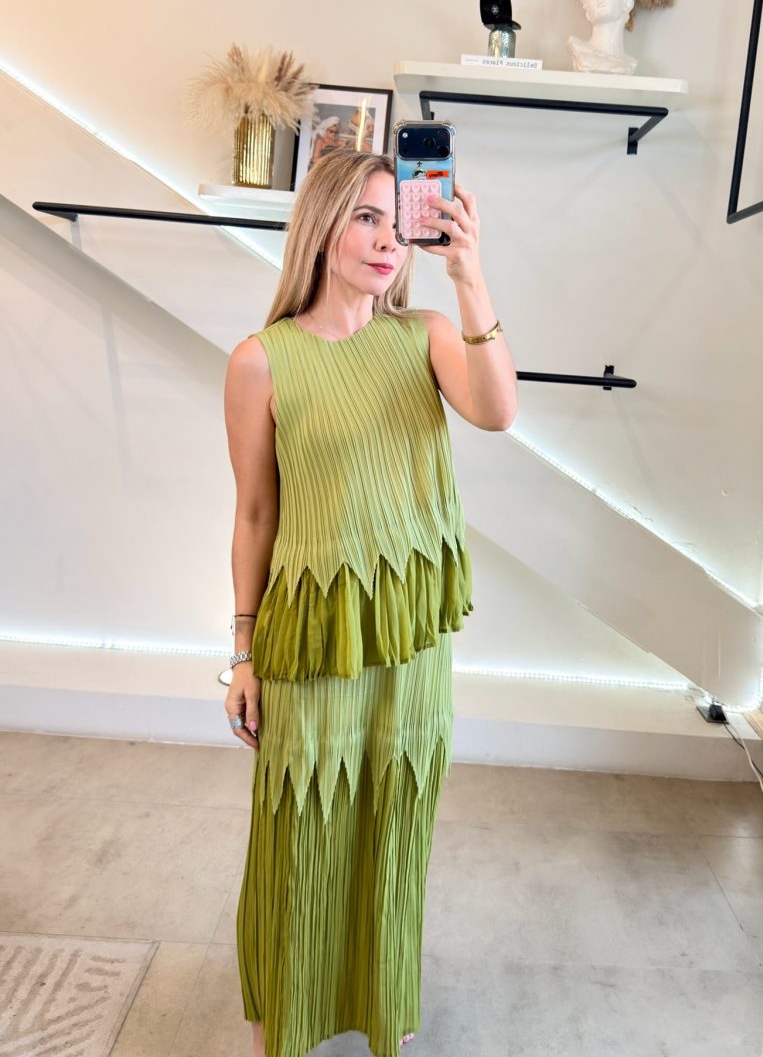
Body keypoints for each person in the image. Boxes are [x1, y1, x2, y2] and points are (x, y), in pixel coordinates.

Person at [223, 148, 517, 1057]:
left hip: (409, 637)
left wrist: (469, 277)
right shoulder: (261, 362)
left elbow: (498, 411)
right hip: (313, 634)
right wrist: (242, 654)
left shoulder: (425, 335)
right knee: (301, 827)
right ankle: (287, 1016)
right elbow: (256, 513)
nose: (389, 240)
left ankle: (378, 997)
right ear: (321, 227)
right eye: (365, 218)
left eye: (400, 221)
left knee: (394, 824)